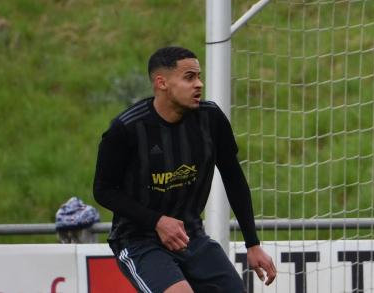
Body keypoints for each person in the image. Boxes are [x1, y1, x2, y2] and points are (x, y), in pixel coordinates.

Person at [93, 46, 277, 293]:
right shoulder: (126, 129)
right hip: (139, 241)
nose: (199, 84)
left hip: (191, 236)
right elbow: (103, 190)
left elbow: (234, 178)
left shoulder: (211, 119)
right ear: (162, 83)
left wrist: (252, 244)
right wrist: (156, 221)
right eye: (189, 77)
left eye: (199, 76)